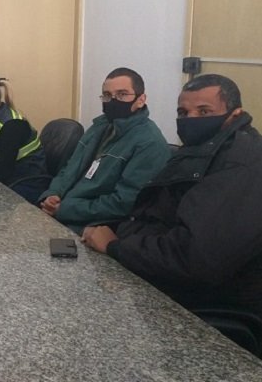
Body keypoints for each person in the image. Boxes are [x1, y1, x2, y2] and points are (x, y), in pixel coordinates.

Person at [82, 74, 262, 320]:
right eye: (183, 113)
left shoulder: (241, 164)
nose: (191, 119)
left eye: (204, 111)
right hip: (154, 274)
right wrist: (113, 230)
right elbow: (156, 214)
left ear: (235, 114)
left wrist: (115, 247)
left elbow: (196, 258)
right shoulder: (199, 149)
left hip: (201, 307)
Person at [38, 68, 169, 233]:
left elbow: (123, 203)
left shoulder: (149, 143)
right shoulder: (99, 127)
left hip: (93, 226)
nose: (113, 100)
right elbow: (69, 168)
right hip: (63, 212)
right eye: (107, 95)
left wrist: (65, 209)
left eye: (122, 94)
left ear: (141, 100)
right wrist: (53, 194)